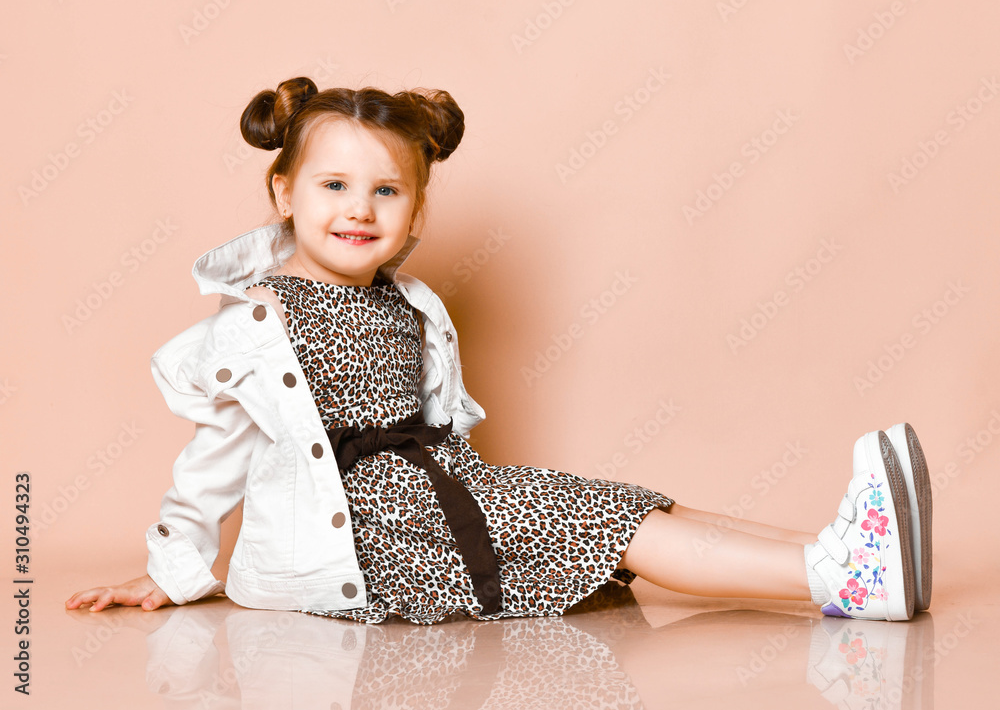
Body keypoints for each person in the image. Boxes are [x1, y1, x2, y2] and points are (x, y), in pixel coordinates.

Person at [66, 78, 932, 624]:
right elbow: (218, 452)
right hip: (372, 536)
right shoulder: (257, 320)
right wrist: (171, 567)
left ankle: (841, 551)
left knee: (621, 503)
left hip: (441, 493)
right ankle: (839, 577)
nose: (359, 208)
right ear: (285, 192)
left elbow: (441, 426)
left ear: (417, 210)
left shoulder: (405, 299)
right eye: (334, 185)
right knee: (607, 522)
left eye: (386, 190)